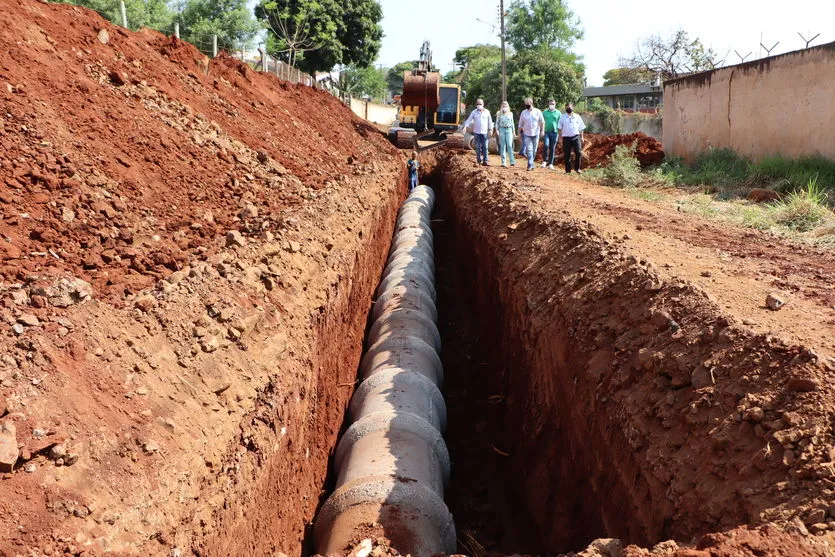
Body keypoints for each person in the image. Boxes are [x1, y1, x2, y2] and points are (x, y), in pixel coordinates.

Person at [461, 98, 493, 166]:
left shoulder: (487, 112)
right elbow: (469, 120)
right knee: (477, 147)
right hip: (477, 133)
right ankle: (478, 160)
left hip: (484, 132)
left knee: (485, 147)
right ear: (476, 105)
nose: (479, 105)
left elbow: (490, 122)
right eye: (478, 104)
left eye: (480, 104)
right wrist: (465, 126)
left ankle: (485, 161)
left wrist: (491, 129)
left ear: (483, 104)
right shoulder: (474, 112)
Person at [517, 97, 545, 171]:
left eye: (528, 104)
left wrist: (542, 131)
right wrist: (519, 133)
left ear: (531, 103)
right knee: (529, 149)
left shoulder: (538, 112)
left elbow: (542, 122)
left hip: (536, 133)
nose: (527, 105)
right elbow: (520, 124)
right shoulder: (523, 112)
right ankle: (530, 164)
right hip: (527, 134)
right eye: (526, 104)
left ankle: (531, 163)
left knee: (534, 150)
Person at [558, 102, 586, 174]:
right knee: (567, 154)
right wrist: (560, 138)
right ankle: (568, 170)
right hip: (566, 138)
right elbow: (559, 128)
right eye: (567, 107)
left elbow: (581, 128)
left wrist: (582, 137)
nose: (568, 108)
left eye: (569, 107)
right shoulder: (562, 117)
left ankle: (578, 169)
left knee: (578, 152)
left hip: (576, 137)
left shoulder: (577, 116)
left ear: (572, 107)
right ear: (565, 108)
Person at [494, 101, 516, 167]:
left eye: (505, 106)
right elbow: (497, 123)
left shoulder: (510, 114)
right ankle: (503, 162)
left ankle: (512, 161)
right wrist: (497, 130)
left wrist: (513, 131)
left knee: (509, 145)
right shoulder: (499, 114)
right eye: (503, 106)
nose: (504, 107)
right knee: (503, 146)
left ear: (508, 107)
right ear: (501, 107)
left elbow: (512, 123)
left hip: (509, 129)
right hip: (501, 129)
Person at [541, 99, 561, 169]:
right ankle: (544, 161)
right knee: (546, 145)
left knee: (552, 148)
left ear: (555, 104)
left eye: (553, 104)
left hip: (555, 132)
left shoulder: (558, 112)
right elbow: (541, 121)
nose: (551, 105)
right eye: (550, 104)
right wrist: (541, 130)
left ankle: (550, 163)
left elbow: (561, 122)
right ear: (548, 104)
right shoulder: (545, 112)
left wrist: (560, 133)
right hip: (546, 131)